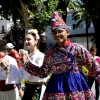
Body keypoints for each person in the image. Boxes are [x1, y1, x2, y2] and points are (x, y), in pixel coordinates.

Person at [19, 11, 100, 100]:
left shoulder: (78, 49)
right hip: (56, 88)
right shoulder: (50, 53)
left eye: (60, 31)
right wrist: (26, 63)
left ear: (67, 32)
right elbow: (43, 72)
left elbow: (94, 67)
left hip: (77, 86)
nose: (57, 35)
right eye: (54, 33)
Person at [19, 29, 49, 100]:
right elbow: (21, 73)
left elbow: (40, 71)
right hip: (28, 88)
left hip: (37, 88)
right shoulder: (29, 55)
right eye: (25, 40)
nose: (26, 41)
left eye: (29, 39)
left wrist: (27, 59)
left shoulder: (41, 56)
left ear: (36, 41)